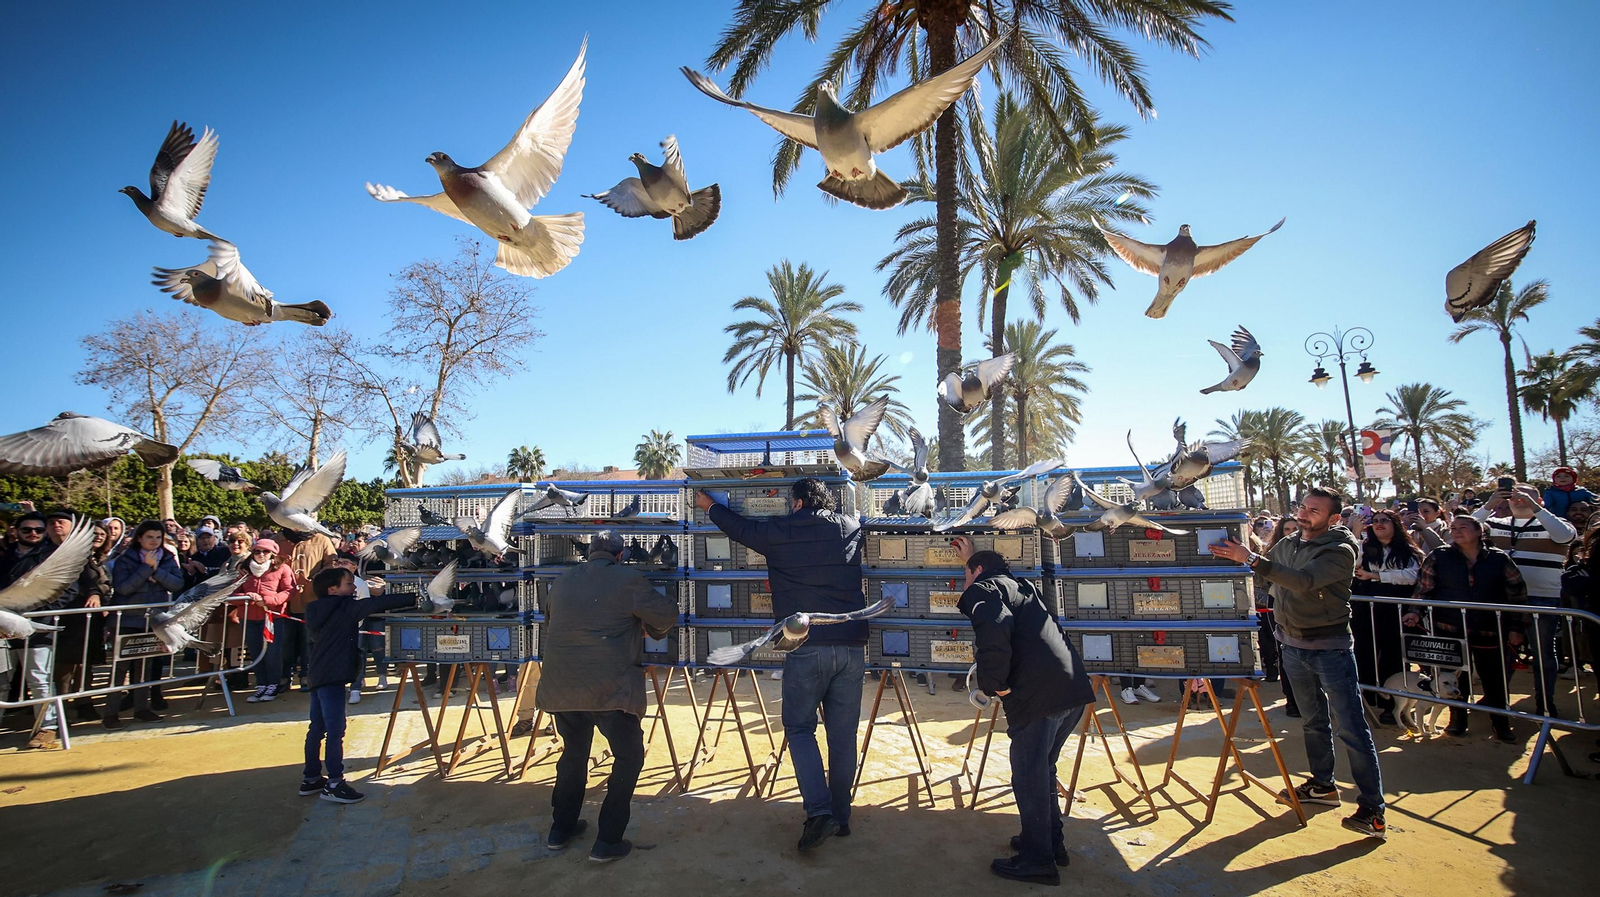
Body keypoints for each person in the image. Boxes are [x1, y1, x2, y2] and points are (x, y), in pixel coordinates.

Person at [693, 477, 866, 852]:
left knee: (800, 728)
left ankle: (819, 811)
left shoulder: (781, 530)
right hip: (852, 646)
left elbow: (739, 528)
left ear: (798, 503)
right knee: (842, 736)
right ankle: (841, 816)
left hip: (806, 645)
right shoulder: (851, 527)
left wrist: (708, 505)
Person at [1211, 486, 1386, 841]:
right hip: (1291, 645)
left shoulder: (1339, 548)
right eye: (1303, 507)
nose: (1303, 514)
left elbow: (1303, 581)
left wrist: (1253, 559)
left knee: (1351, 727)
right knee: (1312, 722)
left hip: (1330, 647)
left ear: (1334, 518)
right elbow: (1265, 572)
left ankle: (1373, 808)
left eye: (1314, 510)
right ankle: (1323, 786)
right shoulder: (1289, 544)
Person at [952, 539, 1092, 885]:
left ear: (977, 572)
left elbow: (994, 628)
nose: (964, 584)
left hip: (1037, 696)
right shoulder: (1024, 588)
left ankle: (1038, 861)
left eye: (965, 575)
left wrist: (993, 685)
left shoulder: (984, 587)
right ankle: (1048, 843)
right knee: (1042, 769)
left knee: (1029, 776)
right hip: (1071, 689)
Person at [534, 530, 678, 862]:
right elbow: (666, 614)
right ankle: (608, 840)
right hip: (609, 689)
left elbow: (553, 621)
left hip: (560, 687)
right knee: (629, 757)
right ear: (621, 555)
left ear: (589, 553)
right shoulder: (629, 579)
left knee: (573, 755)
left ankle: (561, 829)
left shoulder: (562, 580)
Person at [301, 565, 415, 804]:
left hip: (317, 675)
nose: (354, 588)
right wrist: (415, 596)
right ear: (333, 589)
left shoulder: (314, 608)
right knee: (335, 730)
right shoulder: (345, 607)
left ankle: (311, 777)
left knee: (316, 728)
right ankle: (334, 783)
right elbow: (378, 605)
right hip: (332, 678)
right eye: (349, 584)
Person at [1410, 514, 1528, 742]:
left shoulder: (1498, 559)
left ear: (1479, 532)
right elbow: (1423, 589)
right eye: (1453, 527)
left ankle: (1501, 723)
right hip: (1449, 628)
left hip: (1489, 628)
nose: (1457, 531)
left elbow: (1517, 594)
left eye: (1463, 527)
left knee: (1494, 679)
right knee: (1455, 678)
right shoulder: (1439, 556)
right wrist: (1414, 611)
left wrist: (1517, 627)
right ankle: (1457, 720)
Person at [1473, 483, 1577, 717]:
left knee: (1543, 654)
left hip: (1542, 599)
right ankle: (1496, 699)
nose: (1518, 498)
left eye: (1526, 495)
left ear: (1540, 501)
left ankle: (1545, 703)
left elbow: (1565, 536)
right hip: (1503, 599)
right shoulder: (1497, 523)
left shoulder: (1554, 523)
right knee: (1501, 653)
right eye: (1514, 495)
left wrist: (1536, 508)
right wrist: (1488, 505)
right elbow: (1462, 531)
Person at [1, 511, 94, 747]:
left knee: (39, 678)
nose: (33, 533)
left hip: (35, 627)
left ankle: (47, 727)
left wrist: (37, 614)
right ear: (16, 531)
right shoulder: (3, 556)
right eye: (26, 529)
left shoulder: (51, 556)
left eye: (38, 530)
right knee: (2, 680)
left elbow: (69, 590)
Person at [107, 520, 186, 729]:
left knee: (146, 666)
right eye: (149, 537)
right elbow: (122, 587)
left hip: (153, 619)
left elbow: (177, 583)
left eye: (158, 537)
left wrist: (156, 572)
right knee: (120, 667)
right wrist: (145, 569)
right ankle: (111, 712)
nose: (154, 541)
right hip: (127, 619)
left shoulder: (167, 558)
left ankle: (141, 708)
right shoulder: (126, 559)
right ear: (140, 538)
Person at [1351, 510, 1424, 726]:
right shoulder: (1365, 547)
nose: (1379, 525)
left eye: (1385, 521)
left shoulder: (1408, 550)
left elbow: (1412, 575)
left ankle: (1392, 705)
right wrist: (1355, 533)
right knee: (1364, 651)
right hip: (1366, 608)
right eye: (1375, 522)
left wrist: (1377, 576)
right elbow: (1350, 563)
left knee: (1393, 654)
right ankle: (1367, 699)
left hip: (1395, 609)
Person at [232, 537, 297, 703]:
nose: (261, 555)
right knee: (255, 651)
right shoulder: (244, 570)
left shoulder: (283, 569)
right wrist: (247, 596)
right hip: (248, 617)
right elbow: (231, 593)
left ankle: (273, 684)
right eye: (257, 551)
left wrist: (268, 601)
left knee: (273, 652)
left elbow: (290, 591)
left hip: (272, 617)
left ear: (273, 554)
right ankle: (261, 683)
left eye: (265, 551)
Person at [285, 529, 338, 691]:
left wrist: (316, 580)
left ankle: (308, 675)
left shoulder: (321, 540)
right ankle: (283, 677)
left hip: (312, 599)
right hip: (283, 602)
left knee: (309, 641)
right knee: (284, 643)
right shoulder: (278, 539)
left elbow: (332, 563)